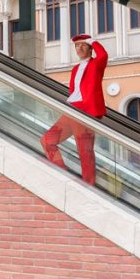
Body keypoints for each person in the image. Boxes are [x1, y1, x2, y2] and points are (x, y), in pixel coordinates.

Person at [40, 33, 108, 184]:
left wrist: (93, 41)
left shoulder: (96, 64)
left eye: (83, 45)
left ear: (90, 48)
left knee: (85, 152)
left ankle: (89, 186)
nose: (79, 48)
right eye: (77, 45)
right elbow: (73, 90)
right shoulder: (75, 69)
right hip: (72, 110)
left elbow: (103, 54)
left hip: (85, 113)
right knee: (47, 141)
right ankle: (62, 173)